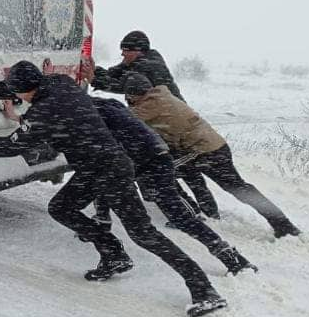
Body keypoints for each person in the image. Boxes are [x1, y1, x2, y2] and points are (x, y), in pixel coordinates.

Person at [0, 61, 227, 317]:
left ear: (24, 90)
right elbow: (15, 87)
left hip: (107, 170)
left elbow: (13, 145)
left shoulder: (42, 114)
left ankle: (203, 289)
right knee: (61, 207)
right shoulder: (60, 82)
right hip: (102, 166)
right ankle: (113, 253)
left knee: (144, 233)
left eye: (16, 91)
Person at [86, 97, 256, 274]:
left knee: (157, 221)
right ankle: (232, 258)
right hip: (159, 155)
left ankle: (108, 242)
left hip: (143, 162)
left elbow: (102, 162)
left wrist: (102, 214)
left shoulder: (87, 114)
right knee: (181, 217)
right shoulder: (109, 103)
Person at [122, 73, 302, 238]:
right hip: (215, 146)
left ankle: (191, 213)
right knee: (238, 188)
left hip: (202, 151)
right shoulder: (162, 95)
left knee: (156, 172)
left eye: (128, 96)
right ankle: (281, 223)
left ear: (133, 94)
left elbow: (122, 119)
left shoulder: (149, 105)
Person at [83, 30, 217, 216]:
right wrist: (96, 71)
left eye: (125, 50)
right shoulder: (137, 61)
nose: (122, 54)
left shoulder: (147, 66)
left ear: (138, 50)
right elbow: (114, 74)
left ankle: (193, 212)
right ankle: (201, 210)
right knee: (176, 168)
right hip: (159, 120)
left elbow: (121, 85)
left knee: (173, 168)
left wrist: (95, 79)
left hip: (169, 122)